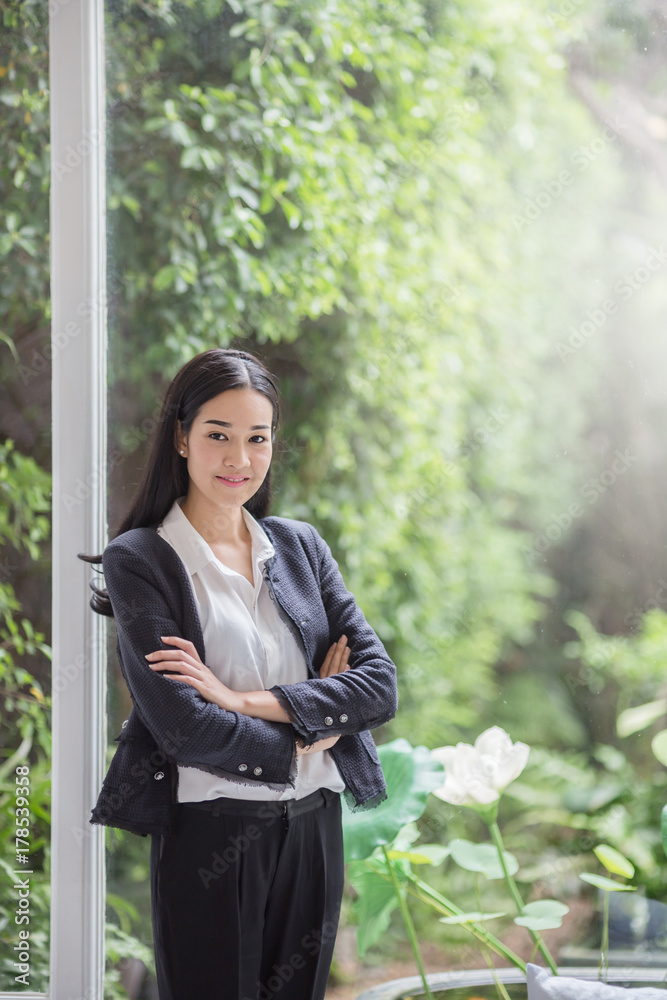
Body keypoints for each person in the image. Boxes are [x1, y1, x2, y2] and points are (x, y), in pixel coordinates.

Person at [78, 347, 398, 1000]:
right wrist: (314, 730)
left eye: (257, 438)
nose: (239, 459)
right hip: (211, 834)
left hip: (314, 825)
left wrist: (243, 700)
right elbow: (185, 728)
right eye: (218, 435)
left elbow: (378, 686)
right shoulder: (141, 560)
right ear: (180, 437)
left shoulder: (299, 545)